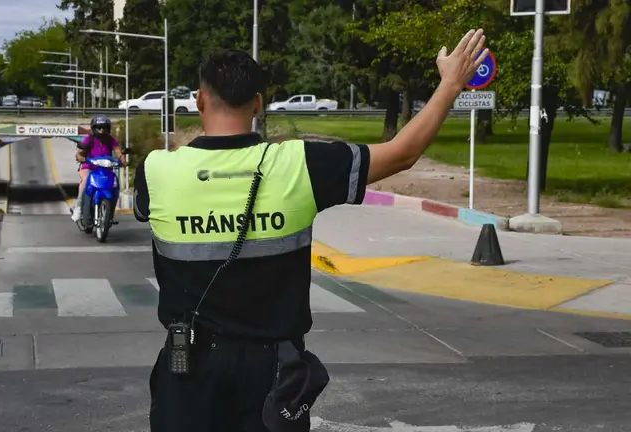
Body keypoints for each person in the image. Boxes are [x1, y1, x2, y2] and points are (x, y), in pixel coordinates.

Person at [132, 29, 489, 432]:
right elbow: (402, 153)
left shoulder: (156, 171)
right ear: (258, 104)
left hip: (190, 370)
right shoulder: (300, 165)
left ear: (199, 100)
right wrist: (450, 84)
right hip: (273, 374)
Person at [71, 114, 126, 222]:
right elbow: (80, 153)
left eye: (104, 128)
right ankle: (78, 208)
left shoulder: (110, 140)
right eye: (99, 128)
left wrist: (122, 160)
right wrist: (81, 158)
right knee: (85, 182)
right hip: (89, 167)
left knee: (115, 185)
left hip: (106, 169)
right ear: (94, 128)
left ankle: (110, 213)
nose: (102, 130)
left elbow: (118, 151)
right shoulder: (89, 139)